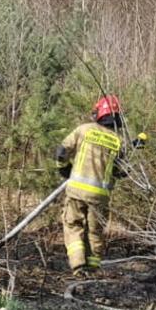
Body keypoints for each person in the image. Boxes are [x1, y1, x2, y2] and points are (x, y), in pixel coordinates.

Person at [55, 96, 126, 275]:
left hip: (77, 191)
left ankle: (78, 265)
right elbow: (121, 172)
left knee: (73, 225)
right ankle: (93, 267)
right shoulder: (119, 141)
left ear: (99, 113)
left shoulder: (84, 130)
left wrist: (63, 168)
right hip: (100, 197)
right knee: (95, 231)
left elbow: (62, 151)